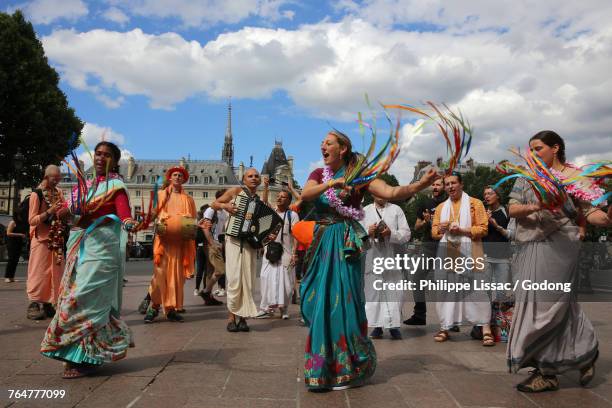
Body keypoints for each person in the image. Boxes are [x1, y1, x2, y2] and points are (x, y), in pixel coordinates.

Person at [299, 130, 439, 390]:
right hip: (322, 242)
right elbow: (306, 195)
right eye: (322, 142)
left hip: (345, 243)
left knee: (344, 301)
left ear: (343, 149)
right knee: (318, 300)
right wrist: (330, 185)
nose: (322, 146)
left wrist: (419, 185)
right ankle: (321, 366)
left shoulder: (360, 177)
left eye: (328, 142)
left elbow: (392, 191)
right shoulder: (319, 175)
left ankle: (345, 366)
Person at [507, 130, 612, 393]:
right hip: (531, 245)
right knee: (552, 306)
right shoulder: (526, 177)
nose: (533, 153)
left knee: (546, 308)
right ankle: (583, 351)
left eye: (538, 148)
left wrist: (608, 218)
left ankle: (547, 372)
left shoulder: (575, 177)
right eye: (531, 149)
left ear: (556, 148)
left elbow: (593, 214)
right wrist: (537, 206)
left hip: (562, 247)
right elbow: (512, 209)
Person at [40, 141, 137, 378]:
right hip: (80, 245)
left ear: (115, 161)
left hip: (102, 249)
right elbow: (73, 217)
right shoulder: (84, 186)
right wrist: (64, 214)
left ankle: (78, 350)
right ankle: (81, 356)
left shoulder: (116, 186)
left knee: (83, 298)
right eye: (97, 153)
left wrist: (129, 223)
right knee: (73, 297)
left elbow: (124, 214)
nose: (100, 158)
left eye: (106, 155)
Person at [431, 173, 493, 346]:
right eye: (447, 184)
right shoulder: (441, 207)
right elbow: (434, 233)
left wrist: (463, 231)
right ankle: (445, 327)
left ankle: (485, 328)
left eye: (453, 183)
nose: (450, 187)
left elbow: (483, 229)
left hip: (472, 252)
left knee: (477, 291)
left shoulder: (475, 203)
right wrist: (442, 229)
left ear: (461, 184)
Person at [212, 168, 272, 333]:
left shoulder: (257, 199)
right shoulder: (236, 191)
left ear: (259, 180)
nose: (253, 178)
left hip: (249, 243)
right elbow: (214, 204)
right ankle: (231, 318)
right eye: (250, 176)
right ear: (244, 179)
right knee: (235, 279)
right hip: (234, 240)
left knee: (248, 280)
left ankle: (243, 318)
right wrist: (226, 206)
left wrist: (265, 236)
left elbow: (264, 217)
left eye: (256, 176)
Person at [144, 166, 196, 323]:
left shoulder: (188, 199)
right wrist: (153, 218)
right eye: (175, 174)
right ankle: (153, 308)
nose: (178, 177)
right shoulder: (161, 195)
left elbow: (191, 221)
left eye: (180, 175)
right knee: (159, 276)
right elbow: (154, 213)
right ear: (170, 177)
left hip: (180, 245)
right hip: (164, 244)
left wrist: (189, 230)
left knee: (177, 278)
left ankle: (171, 309)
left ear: (184, 179)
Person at [361, 196, 411, 340]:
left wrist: (391, 233)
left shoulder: (396, 210)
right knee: (374, 294)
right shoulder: (365, 211)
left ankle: (393, 326)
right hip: (373, 258)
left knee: (395, 293)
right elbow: (358, 237)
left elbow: (406, 234)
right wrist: (368, 232)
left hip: (392, 258)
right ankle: (377, 326)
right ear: (372, 194)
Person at [26, 165, 69, 320]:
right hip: (41, 240)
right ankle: (33, 304)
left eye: (59, 178)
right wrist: (49, 212)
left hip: (56, 239)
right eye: (54, 178)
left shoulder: (58, 193)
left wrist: (66, 213)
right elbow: (32, 220)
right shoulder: (36, 194)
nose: (57, 181)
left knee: (55, 273)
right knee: (38, 274)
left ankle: (49, 303)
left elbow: (63, 213)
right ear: (46, 177)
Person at [404, 177, 446, 326]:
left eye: (438, 184)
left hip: (446, 246)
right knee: (417, 279)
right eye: (433, 184)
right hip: (428, 245)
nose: (435, 187)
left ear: (444, 186)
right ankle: (420, 314)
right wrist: (425, 221)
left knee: (447, 282)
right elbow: (416, 227)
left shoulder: (449, 203)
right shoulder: (424, 203)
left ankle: (450, 320)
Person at [257, 190, 299, 319]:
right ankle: (265, 308)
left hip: (285, 252)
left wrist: (294, 254)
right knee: (265, 280)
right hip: (269, 253)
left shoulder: (293, 215)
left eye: (283, 197)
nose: (279, 198)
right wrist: (266, 186)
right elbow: (262, 229)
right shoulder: (271, 212)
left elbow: (296, 235)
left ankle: (283, 309)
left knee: (285, 283)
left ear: (289, 201)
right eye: (278, 196)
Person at [482, 186, 513, 342]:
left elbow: (511, 234)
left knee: (501, 293)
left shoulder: (507, 212)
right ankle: (486, 325)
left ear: (498, 196)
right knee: (485, 292)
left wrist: (496, 226)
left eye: (490, 193)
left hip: (502, 257)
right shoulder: (482, 212)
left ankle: (498, 323)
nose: (486, 196)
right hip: (485, 256)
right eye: (485, 194)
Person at [198, 190, 227, 306]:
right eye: (227, 198)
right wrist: (212, 244)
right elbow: (205, 228)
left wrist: (223, 243)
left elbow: (223, 230)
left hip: (218, 243)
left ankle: (208, 297)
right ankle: (205, 292)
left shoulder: (223, 212)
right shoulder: (211, 210)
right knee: (220, 270)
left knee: (210, 272)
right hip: (210, 243)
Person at [4, 210, 27, 283]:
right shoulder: (12, 222)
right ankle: (7, 277)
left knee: (15, 260)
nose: (21, 216)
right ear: (17, 215)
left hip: (18, 243)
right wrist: (20, 235)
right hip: (12, 243)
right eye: (20, 215)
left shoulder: (20, 223)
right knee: (11, 260)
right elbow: (8, 233)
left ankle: (12, 277)